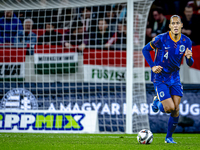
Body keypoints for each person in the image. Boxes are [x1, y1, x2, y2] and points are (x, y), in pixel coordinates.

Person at [142, 15, 194, 143]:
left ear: (181, 25)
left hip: (175, 77)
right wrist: (153, 66)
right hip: (160, 77)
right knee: (169, 108)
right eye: (173, 23)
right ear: (170, 26)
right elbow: (145, 50)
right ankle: (156, 102)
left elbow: (190, 63)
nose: (175, 25)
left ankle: (168, 138)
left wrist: (188, 57)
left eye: (178, 23)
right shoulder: (161, 39)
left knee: (176, 109)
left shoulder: (187, 41)